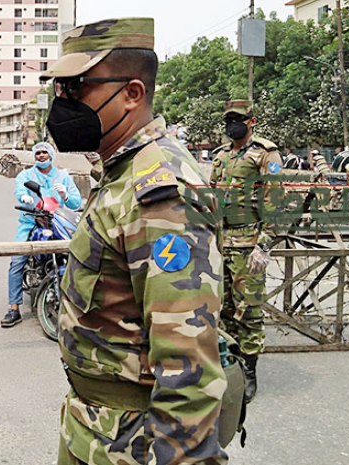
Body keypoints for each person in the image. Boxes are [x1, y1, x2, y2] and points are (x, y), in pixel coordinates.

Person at [41, 18, 227, 464]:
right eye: (60, 90)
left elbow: (188, 362)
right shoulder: (121, 172)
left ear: (132, 94)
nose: (62, 103)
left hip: (132, 441)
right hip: (94, 425)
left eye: (77, 88)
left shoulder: (160, 191)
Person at [210, 99, 283, 403]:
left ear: (252, 121)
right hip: (220, 241)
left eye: (237, 119)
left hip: (248, 243)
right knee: (224, 308)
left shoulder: (265, 154)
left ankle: (250, 371)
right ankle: (231, 368)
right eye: (228, 120)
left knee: (249, 311)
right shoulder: (221, 155)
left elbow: (277, 201)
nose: (231, 125)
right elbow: (209, 194)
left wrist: (264, 245)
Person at [0, 142, 81, 328]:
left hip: (58, 221)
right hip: (31, 222)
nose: (42, 156)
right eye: (38, 153)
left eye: (45, 152)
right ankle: (14, 308)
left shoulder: (63, 176)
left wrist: (66, 196)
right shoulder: (26, 175)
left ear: (52, 154)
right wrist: (24, 197)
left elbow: (76, 202)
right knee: (17, 261)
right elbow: (19, 189)